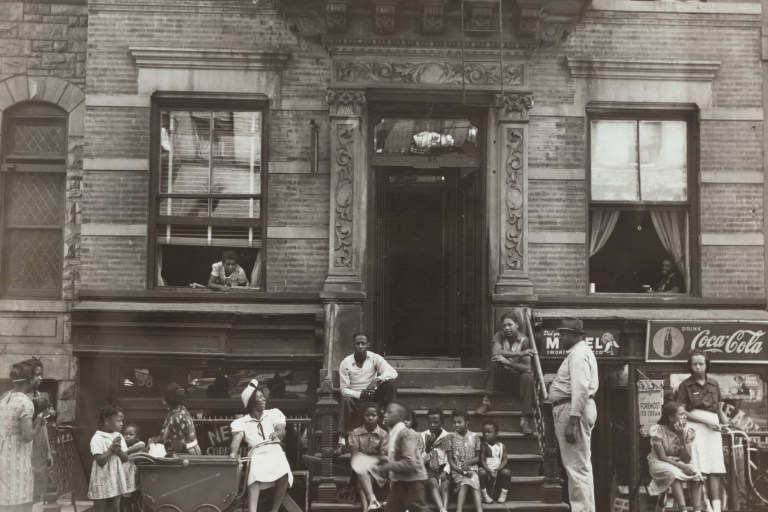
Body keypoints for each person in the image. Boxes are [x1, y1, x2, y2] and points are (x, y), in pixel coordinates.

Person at [548, 317, 599, 512]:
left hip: (571, 410)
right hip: (573, 408)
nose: (560, 337)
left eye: (564, 334)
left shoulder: (578, 355)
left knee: (576, 468)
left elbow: (581, 389)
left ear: (576, 335)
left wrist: (572, 421)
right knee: (580, 466)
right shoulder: (579, 353)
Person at [675, 350, 729, 512]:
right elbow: (682, 412)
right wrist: (706, 422)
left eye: (701, 363)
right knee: (696, 471)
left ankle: (716, 509)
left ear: (707, 365)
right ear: (690, 366)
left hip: (713, 429)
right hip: (695, 428)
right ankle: (698, 509)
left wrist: (724, 423)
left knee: (715, 469)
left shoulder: (714, 384)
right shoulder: (685, 385)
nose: (698, 367)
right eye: (694, 364)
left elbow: (719, 409)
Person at [229, 379, 293, 512]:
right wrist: (233, 453)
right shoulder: (242, 422)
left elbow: (282, 431)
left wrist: (276, 433)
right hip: (257, 453)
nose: (264, 399)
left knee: (284, 474)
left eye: (264, 396)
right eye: (260, 397)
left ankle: (274, 510)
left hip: (274, 450)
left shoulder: (273, 414)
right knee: (254, 477)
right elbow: (236, 441)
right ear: (252, 402)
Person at [474, 312, 536, 435]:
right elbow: (496, 352)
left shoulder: (524, 340)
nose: (507, 328)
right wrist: (520, 353)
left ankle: (525, 420)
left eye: (510, 325)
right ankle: (486, 403)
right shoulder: (499, 335)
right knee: (495, 364)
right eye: (504, 325)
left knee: (528, 377)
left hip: (517, 381)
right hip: (501, 379)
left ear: (517, 325)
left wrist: (507, 362)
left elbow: (527, 368)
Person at [337, 333, 398, 454]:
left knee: (390, 382)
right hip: (356, 400)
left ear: (368, 345)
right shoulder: (346, 363)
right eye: (357, 343)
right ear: (354, 345)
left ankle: (390, 426)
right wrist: (359, 394)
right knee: (344, 399)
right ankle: (341, 442)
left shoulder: (375, 358)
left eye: (363, 343)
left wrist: (377, 379)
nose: (360, 346)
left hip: (373, 398)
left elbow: (393, 372)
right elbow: (343, 389)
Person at [0, 361, 46, 512]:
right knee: (20, 501)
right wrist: (40, 419)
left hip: (3, 455)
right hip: (17, 458)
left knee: (6, 499)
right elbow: (27, 436)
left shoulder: (5, 398)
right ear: (30, 379)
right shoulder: (25, 402)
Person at [648, 401, 703, 512]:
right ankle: (683, 510)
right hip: (659, 462)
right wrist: (682, 467)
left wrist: (681, 437)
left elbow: (686, 459)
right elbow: (662, 457)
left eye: (685, 414)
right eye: (681, 414)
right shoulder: (658, 430)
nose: (685, 416)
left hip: (679, 462)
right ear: (671, 418)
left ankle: (697, 510)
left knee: (696, 474)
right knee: (673, 474)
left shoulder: (687, 431)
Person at [377, 401, 429, 512]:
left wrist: (387, 466)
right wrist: (386, 459)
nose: (384, 414)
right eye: (385, 412)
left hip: (413, 481)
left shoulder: (404, 434)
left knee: (418, 509)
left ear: (400, 417)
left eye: (389, 412)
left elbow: (410, 463)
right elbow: (398, 457)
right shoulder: (394, 432)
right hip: (400, 480)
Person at [23, 357, 54, 504]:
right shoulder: (20, 397)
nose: (40, 378)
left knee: (38, 485)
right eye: (37, 375)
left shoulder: (41, 397)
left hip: (38, 446)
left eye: (41, 374)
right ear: (29, 376)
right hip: (25, 443)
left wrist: (48, 451)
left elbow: (43, 425)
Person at [88, 404, 130, 512]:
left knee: (115, 508)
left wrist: (118, 450)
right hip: (101, 478)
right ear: (107, 421)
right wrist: (112, 449)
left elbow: (125, 458)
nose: (122, 423)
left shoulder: (119, 436)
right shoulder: (98, 438)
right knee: (101, 509)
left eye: (122, 421)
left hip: (115, 477)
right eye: (118, 420)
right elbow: (100, 461)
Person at [349, 403, 389, 512]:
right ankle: (372, 501)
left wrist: (366, 459)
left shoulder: (383, 434)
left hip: (377, 470)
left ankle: (369, 506)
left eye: (373, 415)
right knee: (359, 463)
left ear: (378, 417)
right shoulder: (355, 433)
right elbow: (355, 455)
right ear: (363, 416)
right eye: (367, 415)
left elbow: (383, 457)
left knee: (360, 483)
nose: (370, 417)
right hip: (358, 469)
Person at [446, 410, 482, 512]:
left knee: (474, 481)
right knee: (465, 483)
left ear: (467, 422)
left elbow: (478, 458)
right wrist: (460, 471)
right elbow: (450, 460)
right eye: (454, 422)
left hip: (472, 469)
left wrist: (468, 463)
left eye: (459, 422)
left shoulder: (475, 437)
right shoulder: (448, 438)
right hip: (457, 470)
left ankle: (479, 510)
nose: (456, 425)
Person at [417, 407, 451, 512]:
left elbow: (450, 459)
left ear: (442, 422)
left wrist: (445, 471)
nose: (432, 425)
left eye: (435, 422)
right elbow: (421, 461)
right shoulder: (423, 436)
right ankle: (441, 509)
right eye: (430, 422)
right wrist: (427, 449)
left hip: (443, 468)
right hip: (429, 469)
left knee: (445, 485)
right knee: (432, 482)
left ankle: (444, 509)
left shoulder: (447, 437)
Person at [160, 383, 200, 455]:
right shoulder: (182, 410)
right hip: (191, 454)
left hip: (187, 457)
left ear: (166, 401)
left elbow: (178, 446)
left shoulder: (177, 417)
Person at [478, 420, 510, 504]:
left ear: (496, 433)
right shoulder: (484, 446)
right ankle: (484, 494)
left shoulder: (502, 446)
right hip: (487, 470)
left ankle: (503, 493)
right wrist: (489, 471)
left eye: (489, 432)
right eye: (484, 432)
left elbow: (505, 460)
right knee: (481, 473)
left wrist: (498, 470)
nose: (486, 434)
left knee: (506, 472)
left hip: (498, 471)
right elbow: (482, 461)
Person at [121, 423, 145, 512]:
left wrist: (128, 451)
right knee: (125, 499)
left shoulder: (138, 444)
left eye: (131, 434)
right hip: (125, 475)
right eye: (125, 434)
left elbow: (141, 445)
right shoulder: (122, 446)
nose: (127, 436)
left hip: (134, 475)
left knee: (136, 496)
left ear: (137, 437)